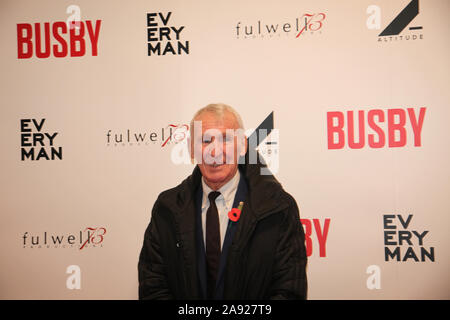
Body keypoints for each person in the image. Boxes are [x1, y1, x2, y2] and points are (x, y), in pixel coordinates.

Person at [138, 103, 307, 299]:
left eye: (226, 139)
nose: (214, 152)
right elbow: (153, 286)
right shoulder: (166, 209)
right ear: (191, 149)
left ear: (243, 146)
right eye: (205, 140)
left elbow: (290, 290)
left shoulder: (278, 209)